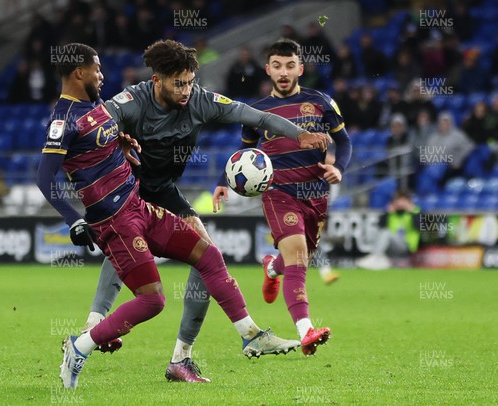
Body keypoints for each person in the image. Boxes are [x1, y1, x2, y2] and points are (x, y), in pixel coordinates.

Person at [36, 43, 304, 389]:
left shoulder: (190, 101)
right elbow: (53, 168)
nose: (186, 90)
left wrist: (122, 143)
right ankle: (89, 334)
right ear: (157, 80)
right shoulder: (112, 105)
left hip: (150, 197)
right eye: (179, 83)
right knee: (151, 295)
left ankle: (240, 339)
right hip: (118, 210)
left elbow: (257, 117)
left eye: (190, 82)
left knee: (208, 256)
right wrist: (74, 217)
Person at [213, 39, 352, 355]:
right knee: (300, 257)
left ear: (300, 68)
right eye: (277, 65)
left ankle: (271, 269)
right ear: (268, 69)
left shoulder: (321, 102)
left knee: (297, 259)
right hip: (278, 193)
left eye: (290, 65)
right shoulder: (258, 111)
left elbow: (344, 143)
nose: (284, 72)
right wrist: (223, 181)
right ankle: (306, 331)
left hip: (316, 193)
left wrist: (339, 169)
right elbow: (245, 152)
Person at [355, 191, 420, 270]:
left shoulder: (416, 212)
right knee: (379, 232)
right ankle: (378, 258)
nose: (400, 204)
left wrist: (412, 212)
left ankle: (375, 257)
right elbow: (381, 226)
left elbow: (419, 227)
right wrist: (387, 213)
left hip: (406, 247)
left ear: (408, 202)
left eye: (402, 201)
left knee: (386, 233)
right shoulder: (392, 213)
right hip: (391, 246)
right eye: (398, 201)